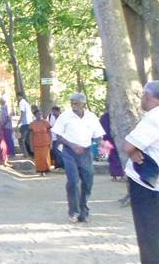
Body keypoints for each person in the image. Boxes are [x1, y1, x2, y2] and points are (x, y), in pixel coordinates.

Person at [123, 80, 159, 264]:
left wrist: (134, 153)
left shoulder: (155, 118)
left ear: (147, 97)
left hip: (150, 188)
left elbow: (128, 146)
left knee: (150, 240)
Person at [52, 92, 105, 223]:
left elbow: (98, 135)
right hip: (69, 152)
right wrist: (72, 145)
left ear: (83, 104)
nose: (74, 106)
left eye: (76, 103)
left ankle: (84, 211)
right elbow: (58, 135)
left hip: (86, 153)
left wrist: (103, 147)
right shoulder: (65, 116)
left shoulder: (91, 117)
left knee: (88, 181)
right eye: (72, 103)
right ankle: (73, 211)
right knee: (73, 181)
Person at [99, 111, 125, 181]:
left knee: (113, 157)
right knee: (116, 157)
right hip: (117, 138)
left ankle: (115, 176)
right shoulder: (119, 114)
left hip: (109, 139)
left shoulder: (105, 117)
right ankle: (120, 175)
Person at [30, 107, 52, 176]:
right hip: (36, 143)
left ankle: (46, 170)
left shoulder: (46, 122)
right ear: (35, 115)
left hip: (45, 142)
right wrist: (31, 145)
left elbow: (50, 133)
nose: (39, 116)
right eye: (37, 115)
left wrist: (51, 143)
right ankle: (40, 171)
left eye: (40, 114)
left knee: (45, 157)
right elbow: (31, 136)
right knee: (38, 158)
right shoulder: (32, 124)